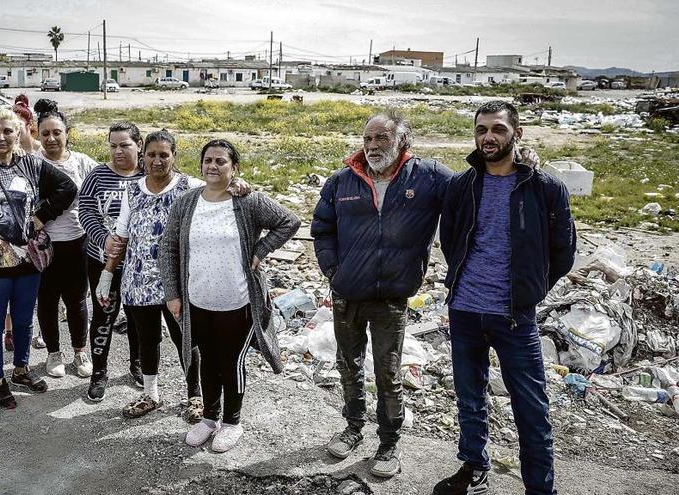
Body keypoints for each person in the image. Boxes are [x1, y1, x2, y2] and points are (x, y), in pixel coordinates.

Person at [433, 101, 575, 495]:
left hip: (515, 316)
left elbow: (563, 252)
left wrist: (531, 290)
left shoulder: (545, 188)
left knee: (530, 407)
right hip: (464, 311)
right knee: (469, 397)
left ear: (517, 133)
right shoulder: (462, 186)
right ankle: (475, 467)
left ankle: (540, 488)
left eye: (497, 129)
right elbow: (451, 241)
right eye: (482, 130)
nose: (488, 137)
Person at [311, 112, 454, 478]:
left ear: (402, 141)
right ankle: (353, 428)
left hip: (392, 297)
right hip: (347, 294)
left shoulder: (429, 177)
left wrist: (520, 162)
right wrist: (333, 271)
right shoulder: (341, 181)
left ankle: (389, 443)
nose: (372, 146)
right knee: (348, 366)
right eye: (368, 139)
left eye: (382, 139)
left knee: (388, 373)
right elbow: (322, 229)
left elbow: (475, 189)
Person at [159, 139, 299, 452]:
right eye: (208, 160)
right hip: (198, 300)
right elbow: (168, 248)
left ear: (234, 168)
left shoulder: (248, 201)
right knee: (207, 361)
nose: (213, 166)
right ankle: (209, 419)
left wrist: (261, 250)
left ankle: (233, 422)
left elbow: (289, 221)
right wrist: (172, 293)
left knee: (231, 361)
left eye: (221, 161)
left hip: (239, 301)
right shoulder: (187, 202)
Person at [0, 106, 76, 409]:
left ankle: (21, 369)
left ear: (19, 133)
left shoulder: (31, 164)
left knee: (23, 322)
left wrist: (42, 216)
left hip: (28, 264)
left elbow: (67, 187)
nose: (2, 137)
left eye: (9, 131)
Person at [95, 129, 204, 421]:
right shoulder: (134, 191)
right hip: (138, 280)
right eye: (152, 155)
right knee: (147, 340)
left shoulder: (190, 187)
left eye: (163, 155)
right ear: (144, 157)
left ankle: (195, 396)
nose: (157, 161)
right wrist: (107, 273)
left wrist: (238, 185)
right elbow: (121, 236)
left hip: (176, 283)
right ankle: (151, 394)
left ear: (174, 156)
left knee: (185, 339)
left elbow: (219, 196)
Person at [78, 122, 145, 401]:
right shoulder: (98, 175)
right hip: (102, 263)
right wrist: (103, 238)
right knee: (104, 316)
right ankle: (99, 372)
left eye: (124, 145)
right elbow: (85, 210)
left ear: (138, 145)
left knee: (138, 318)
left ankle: (137, 364)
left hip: (140, 267)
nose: (118, 151)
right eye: (113, 145)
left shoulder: (150, 175)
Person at [33, 99, 99, 378]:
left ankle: (80, 352)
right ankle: (53, 354)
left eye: (57, 132)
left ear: (67, 132)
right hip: (42, 246)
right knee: (46, 301)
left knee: (77, 300)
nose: (51, 138)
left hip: (77, 241)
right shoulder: (30, 164)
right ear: (37, 134)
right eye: (45, 133)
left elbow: (115, 181)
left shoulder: (83, 162)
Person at [2, 95, 45, 352]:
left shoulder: (40, 152)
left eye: (19, 125)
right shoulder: (9, 153)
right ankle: (10, 332)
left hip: (39, 230)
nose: (15, 131)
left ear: (29, 125)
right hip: (12, 229)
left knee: (38, 286)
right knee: (11, 283)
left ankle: (39, 330)